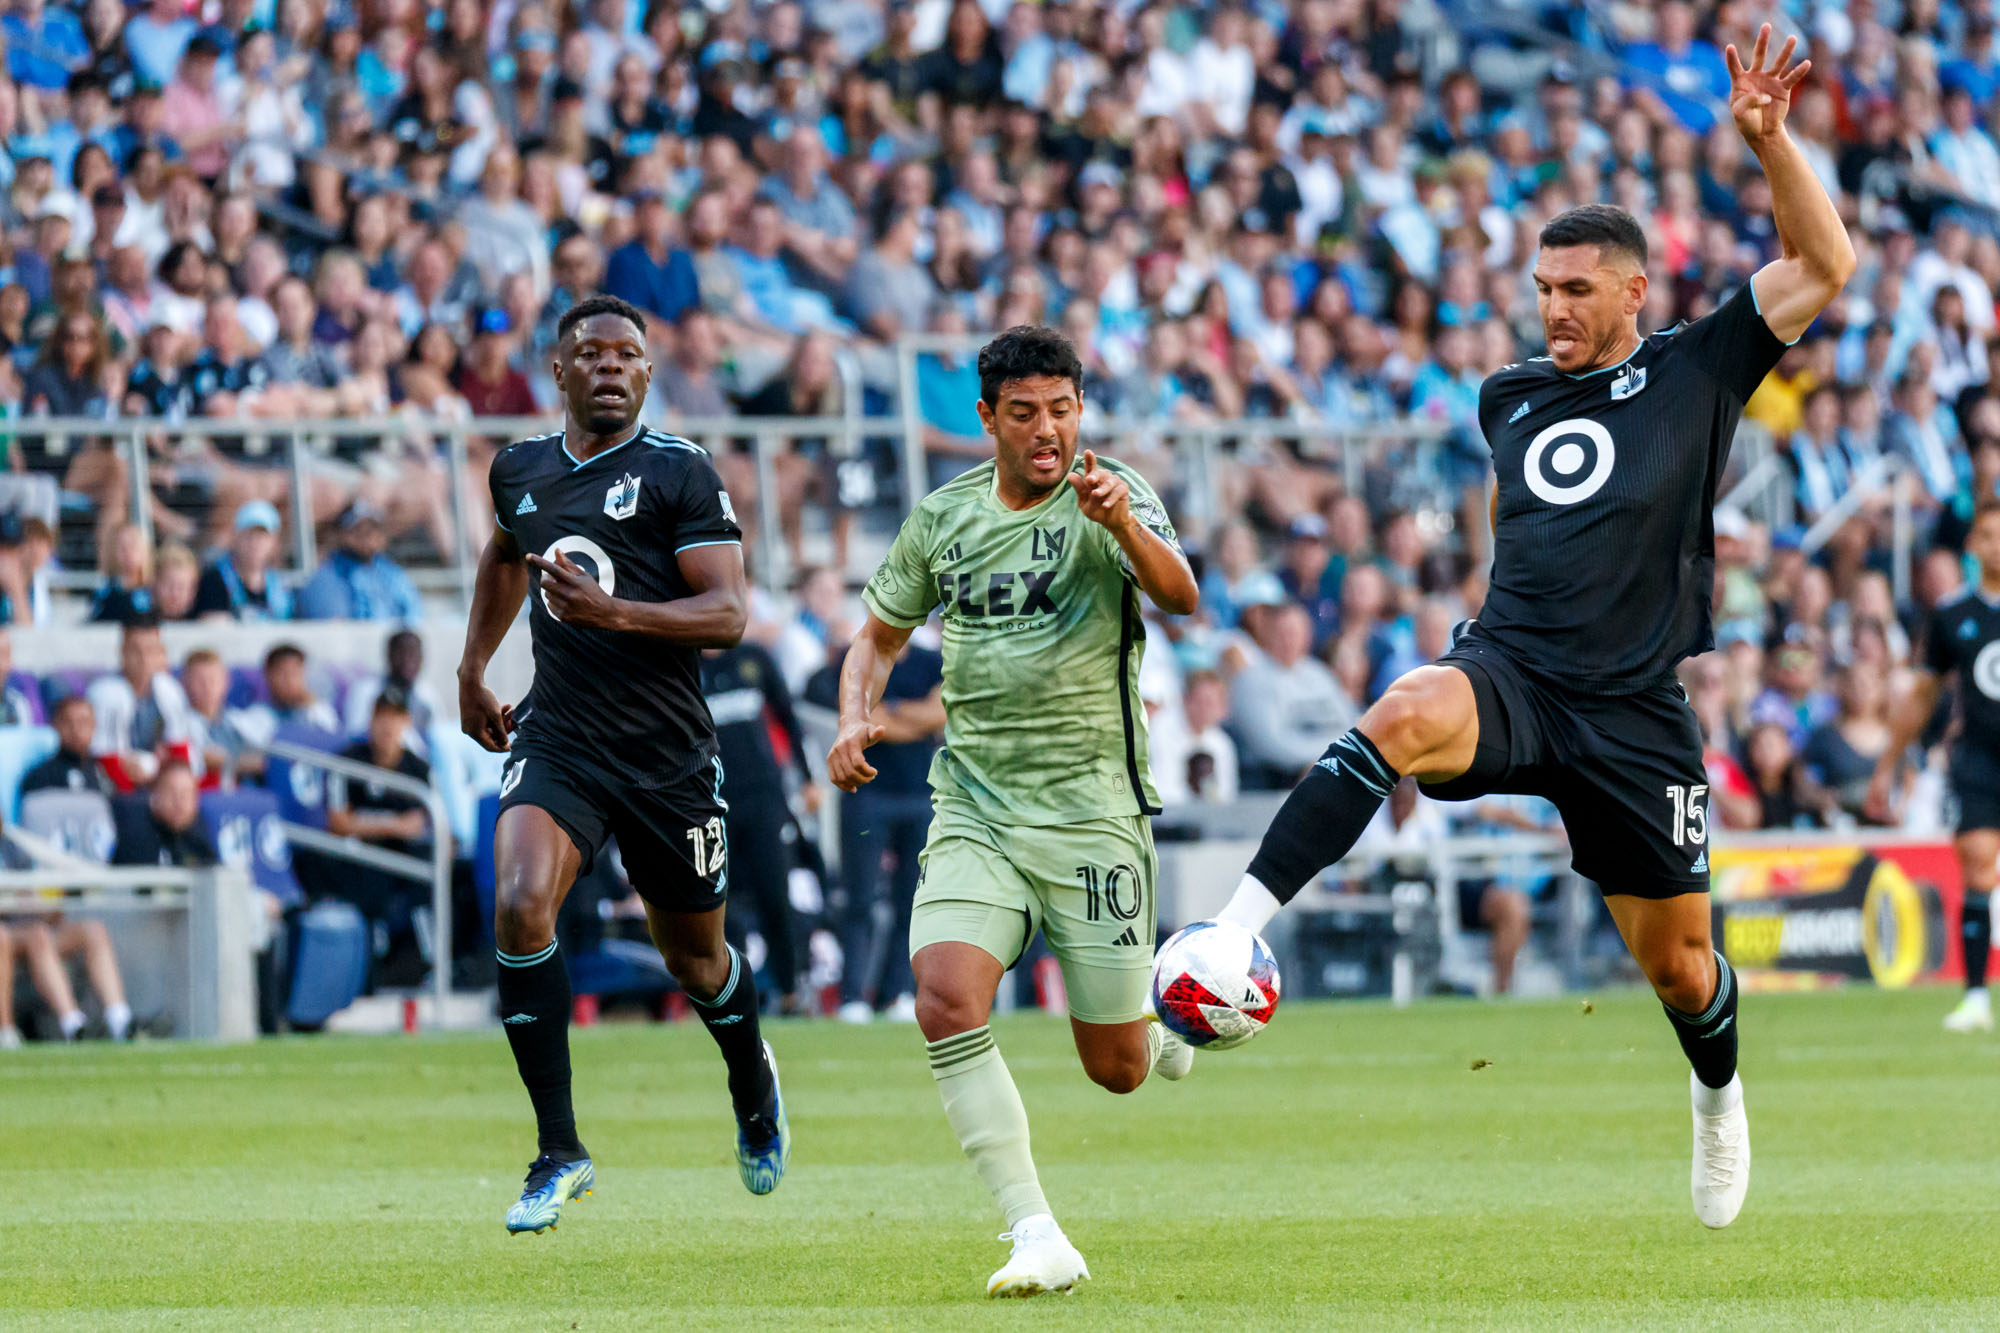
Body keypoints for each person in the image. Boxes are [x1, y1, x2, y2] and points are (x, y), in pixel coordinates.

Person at [1201, 30, 1854, 1232]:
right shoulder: (1505, 395)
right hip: (1509, 673)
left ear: (1629, 291)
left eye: (1571, 291)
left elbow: (1824, 261)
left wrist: (1766, 142)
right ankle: (1225, 934)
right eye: (1538, 290)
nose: (1548, 310)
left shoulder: (1698, 368)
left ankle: (1716, 1097)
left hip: (1632, 709)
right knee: (1400, 710)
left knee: (1677, 969)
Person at [826, 325, 1201, 1296]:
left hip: (1089, 812)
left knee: (1114, 1068)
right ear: (986, 417)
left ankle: (1158, 1019)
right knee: (944, 995)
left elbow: (1182, 594)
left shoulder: (1109, 493)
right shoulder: (943, 517)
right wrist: (852, 717)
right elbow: (873, 638)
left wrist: (1123, 524)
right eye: (1026, 413)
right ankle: (1034, 1231)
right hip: (976, 805)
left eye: (1064, 410)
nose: (1048, 432)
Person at [457, 294, 786, 1237]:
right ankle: (558, 1149)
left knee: (697, 959)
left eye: (628, 354)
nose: (610, 365)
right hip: (560, 739)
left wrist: (617, 615)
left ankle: (751, 1082)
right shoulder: (518, 470)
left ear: (648, 374)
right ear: (558, 371)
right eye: (590, 353)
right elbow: (503, 557)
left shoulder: (680, 472)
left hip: (668, 758)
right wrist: (474, 667)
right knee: (519, 900)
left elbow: (726, 615)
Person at [1870, 503, 2000, 1033]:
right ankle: (1975, 995)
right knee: (1977, 862)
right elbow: (1922, 696)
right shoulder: (1952, 615)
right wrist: (1886, 766)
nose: (1996, 544)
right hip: (1978, 757)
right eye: (1987, 535)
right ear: (1972, 546)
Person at [807, 632, 944, 1024]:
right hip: (867, 794)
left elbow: (942, 714)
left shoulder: (929, 661)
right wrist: (915, 718)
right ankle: (853, 996)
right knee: (859, 899)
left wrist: (894, 711)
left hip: (920, 795)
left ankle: (898, 992)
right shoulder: (859, 659)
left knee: (912, 900)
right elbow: (866, 722)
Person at [699, 638, 817, 1012]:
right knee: (717, 903)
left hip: (765, 799)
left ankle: (789, 991)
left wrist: (809, 777)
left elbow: (787, 716)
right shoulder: (682, 665)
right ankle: (728, 993)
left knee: (775, 896)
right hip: (709, 804)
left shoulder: (754, 658)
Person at [326, 689, 433, 984]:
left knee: (428, 875)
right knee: (368, 874)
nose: (387, 726)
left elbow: (421, 825)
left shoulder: (418, 768)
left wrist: (365, 822)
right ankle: (369, 969)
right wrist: (393, 824)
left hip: (404, 857)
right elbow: (337, 822)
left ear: (406, 722)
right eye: (381, 717)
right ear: (370, 721)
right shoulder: (347, 762)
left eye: (395, 717)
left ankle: (430, 962)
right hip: (360, 857)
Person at [294, 501, 422, 622]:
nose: (367, 537)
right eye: (358, 530)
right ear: (341, 534)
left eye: (373, 530)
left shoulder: (392, 574)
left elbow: (414, 615)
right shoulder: (326, 578)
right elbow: (332, 628)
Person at [192, 500, 292, 622]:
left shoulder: (282, 586)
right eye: (248, 534)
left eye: (262, 535)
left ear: (274, 541)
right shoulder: (214, 580)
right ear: (236, 537)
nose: (255, 542)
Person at [111, 756, 217, 867]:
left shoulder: (201, 842)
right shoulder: (131, 836)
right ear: (154, 795)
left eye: (186, 795)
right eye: (171, 793)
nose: (179, 803)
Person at [20, 693, 115, 798]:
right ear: (55, 726)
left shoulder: (106, 770)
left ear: (94, 725)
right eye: (68, 723)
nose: (76, 730)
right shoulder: (40, 778)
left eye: (83, 722)